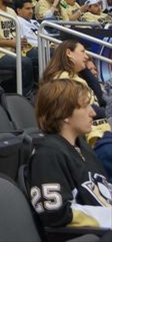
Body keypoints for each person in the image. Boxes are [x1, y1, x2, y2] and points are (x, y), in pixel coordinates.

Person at [29, 78, 112, 229]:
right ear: (64, 113)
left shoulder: (83, 146)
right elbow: (57, 215)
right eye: (85, 106)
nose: (93, 112)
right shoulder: (48, 155)